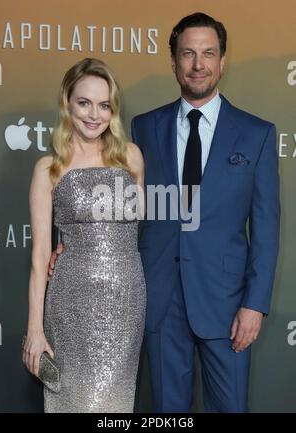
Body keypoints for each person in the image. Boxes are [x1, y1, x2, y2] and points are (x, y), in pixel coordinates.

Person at [130, 12, 280, 412]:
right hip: (162, 300)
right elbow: (128, 209)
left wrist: (254, 304)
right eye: (188, 54)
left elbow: (266, 226)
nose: (198, 64)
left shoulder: (257, 133)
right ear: (174, 61)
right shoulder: (144, 128)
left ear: (222, 60)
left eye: (208, 53)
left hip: (228, 303)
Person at [22, 58, 146, 413]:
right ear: (67, 103)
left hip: (127, 301)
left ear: (113, 110)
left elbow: (135, 229)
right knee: (74, 401)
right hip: (71, 303)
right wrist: (34, 329)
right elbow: (40, 254)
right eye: (84, 103)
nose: (94, 115)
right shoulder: (48, 169)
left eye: (104, 105)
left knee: (115, 405)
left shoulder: (131, 159)